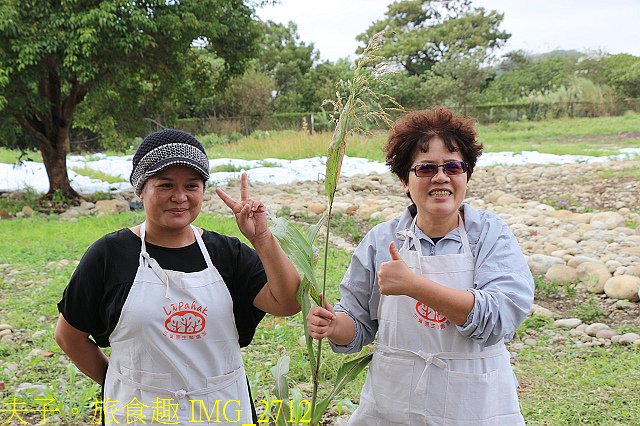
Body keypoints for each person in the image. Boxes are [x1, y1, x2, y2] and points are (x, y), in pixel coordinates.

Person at [55, 129, 300, 425]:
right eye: (166, 185)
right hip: (140, 413)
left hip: (220, 411)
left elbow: (287, 302)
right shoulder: (110, 255)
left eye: (192, 185)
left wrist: (261, 238)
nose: (180, 197)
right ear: (140, 189)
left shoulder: (227, 254)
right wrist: (119, 382)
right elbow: (69, 336)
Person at [307, 107, 535, 425]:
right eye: (426, 168)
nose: (441, 177)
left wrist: (414, 286)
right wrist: (335, 326)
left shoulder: (490, 235)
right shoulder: (381, 240)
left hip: (474, 407)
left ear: (466, 174)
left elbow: (497, 319)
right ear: (405, 180)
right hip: (394, 406)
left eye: (453, 166)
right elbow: (357, 328)